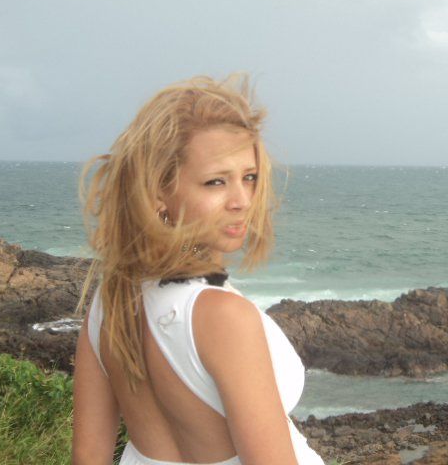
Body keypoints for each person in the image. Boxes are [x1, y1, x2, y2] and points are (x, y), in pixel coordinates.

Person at [72, 73, 325, 465]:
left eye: (249, 177)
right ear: (158, 192)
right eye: (215, 182)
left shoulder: (110, 303)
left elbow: (88, 456)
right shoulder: (223, 317)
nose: (242, 200)